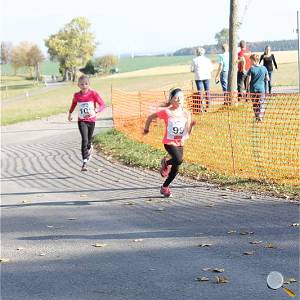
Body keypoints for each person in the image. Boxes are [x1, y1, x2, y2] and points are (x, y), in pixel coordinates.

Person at [143, 88, 196, 198]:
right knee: (178, 160)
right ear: (171, 99)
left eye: (181, 97)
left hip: (180, 142)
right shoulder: (166, 112)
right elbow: (150, 117)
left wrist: (191, 127)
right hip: (169, 142)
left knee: (176, 168)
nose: (179, 99)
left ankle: (165, 187)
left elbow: (188, 132)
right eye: (176, 97)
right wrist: (146, 129)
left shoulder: (186, 113)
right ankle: (166, 163)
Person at [68, 75, 105, 171]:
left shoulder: (93, 94)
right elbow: (73, 104)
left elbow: (102, 104)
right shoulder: (77, 95)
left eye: (86, 84)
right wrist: (70, 113)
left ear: (89, 84)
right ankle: (84, 162)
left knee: (88, 141)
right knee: (84, 139)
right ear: (78, 85)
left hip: (91, 120)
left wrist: (96, 110)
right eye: (82, 84)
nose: (84, 86)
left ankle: (90, 147)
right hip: (82, 121)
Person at [246, 54, 269, 122]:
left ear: (254, 60)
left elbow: (248, 80)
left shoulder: (251, 69)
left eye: (251, 60)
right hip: (261, 89)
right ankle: (260, 116)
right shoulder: (264, 68)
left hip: (253, 89)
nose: (250, 62)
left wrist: (247, 88)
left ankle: (257, 116)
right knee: (261, 103)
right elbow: (267, 78)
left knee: (255, 103)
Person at [191, 47, 213, 111]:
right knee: (207, 91)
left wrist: (195, 71)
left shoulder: (194, 60)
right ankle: (208, 106)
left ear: (197, 53)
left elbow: (192, 70)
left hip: (199, 77)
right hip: (207, 76)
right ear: (203, 52)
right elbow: (211, 69)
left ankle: (200, 107)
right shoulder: (207, 60)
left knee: (200, 92)